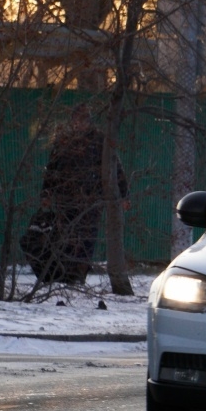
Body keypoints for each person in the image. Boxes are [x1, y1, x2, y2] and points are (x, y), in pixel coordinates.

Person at [22, 106, 127, 285]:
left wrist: (124, 194)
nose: (79, 124)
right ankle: (65, 273)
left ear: (89, 122)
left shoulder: (99, 141)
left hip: (91, 199)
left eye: (83, 120)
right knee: (65, 236)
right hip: (66, 199)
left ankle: (79, 275)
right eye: (77, 120)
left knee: (87, 238)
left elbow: (114, 167)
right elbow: (53, 168)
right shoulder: (64, 141)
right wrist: (47, 193)